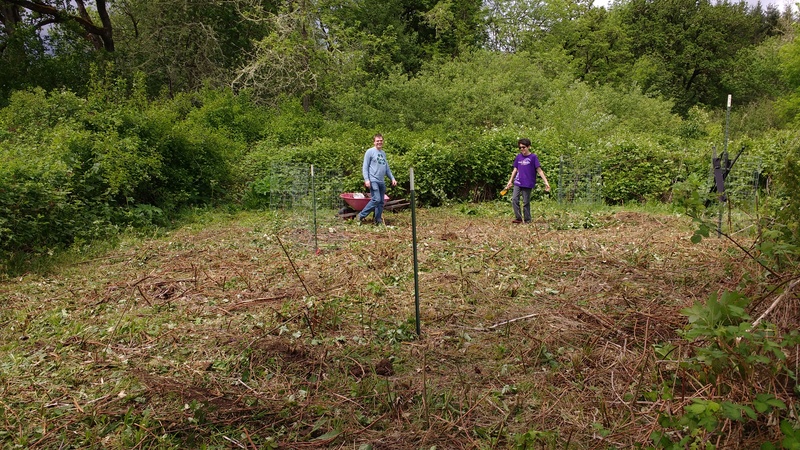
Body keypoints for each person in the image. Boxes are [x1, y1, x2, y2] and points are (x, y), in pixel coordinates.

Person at [505, 138, 550, 224]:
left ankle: (527, 219)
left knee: (526, 202)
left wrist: (546, 182)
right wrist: (510, 181)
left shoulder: (533, 157)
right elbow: (515, 169)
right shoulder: (518, 157)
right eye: (520, 147)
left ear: (529, 147)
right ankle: (518, 218)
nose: (522, 149)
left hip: (528, 183)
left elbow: (539, 170)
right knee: (514, 199)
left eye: (524, 147)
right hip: (518, 182)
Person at [358, 134, 397, 225]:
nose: (379, 142)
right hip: (373, 180)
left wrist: (392, 178)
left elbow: (387, 168)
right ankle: (361, 215)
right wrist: (367, 179)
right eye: (377, 141)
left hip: (381, 181)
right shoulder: (370, 152)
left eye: (381, 141)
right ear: (374, 142)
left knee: (381, 202)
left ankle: (377, 220)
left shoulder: (383, 153)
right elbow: (365, 167)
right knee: (376, 199)